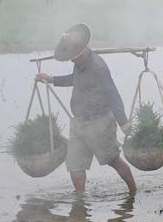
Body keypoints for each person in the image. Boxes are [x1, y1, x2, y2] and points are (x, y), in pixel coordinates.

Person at [35, 24, 137, 194]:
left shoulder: (98, 67)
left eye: (75, 57)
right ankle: (80, 198)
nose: (72, 60)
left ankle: (133, 191)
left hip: (99, 123)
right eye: (71, 58)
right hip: (79, 123)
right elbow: (74, 79)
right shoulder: (79, 63)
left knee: (113, 160)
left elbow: (112, 94)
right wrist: (51, 79)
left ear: (84, 50)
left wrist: (123, 122)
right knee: (75, 164)